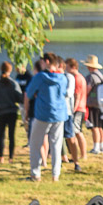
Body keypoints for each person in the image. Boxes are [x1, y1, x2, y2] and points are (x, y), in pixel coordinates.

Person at [24, 51, 68, 182]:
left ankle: (35, 174)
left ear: (47, 62)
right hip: (59, 114)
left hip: (43, 114)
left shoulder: (40, 77)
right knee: (56, 145)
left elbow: (29, 93)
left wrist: (26, 112)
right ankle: (55, 175)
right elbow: (64, 93)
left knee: (35, 144)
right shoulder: (63, 78)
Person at [0, 61, 22, 163]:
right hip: (12, 112)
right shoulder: (13, 83)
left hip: (0, 112)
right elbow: (19, 98)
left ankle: (1, 157)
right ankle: (11, 158)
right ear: (10, 70)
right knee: (11, 135)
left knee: (1, 135)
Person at [66, 58, 88, 168]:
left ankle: (83, 154)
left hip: (78, 108)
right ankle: (81, 154)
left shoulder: (77, 78)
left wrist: (73, 109)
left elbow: (77, 95)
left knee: (77, 131)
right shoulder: (80, 77)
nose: (66, 69)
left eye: (67, 67)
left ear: (73, 67)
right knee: (77, 131)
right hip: (80, 107)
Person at [82, 55, 103, 155]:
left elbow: (87, 89)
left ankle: (96, 147)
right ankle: (102, 147)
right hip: (101, 104)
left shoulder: (90, 77)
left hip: (92, 105)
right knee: (100, 127)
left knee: (94, 127)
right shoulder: (101, 76)